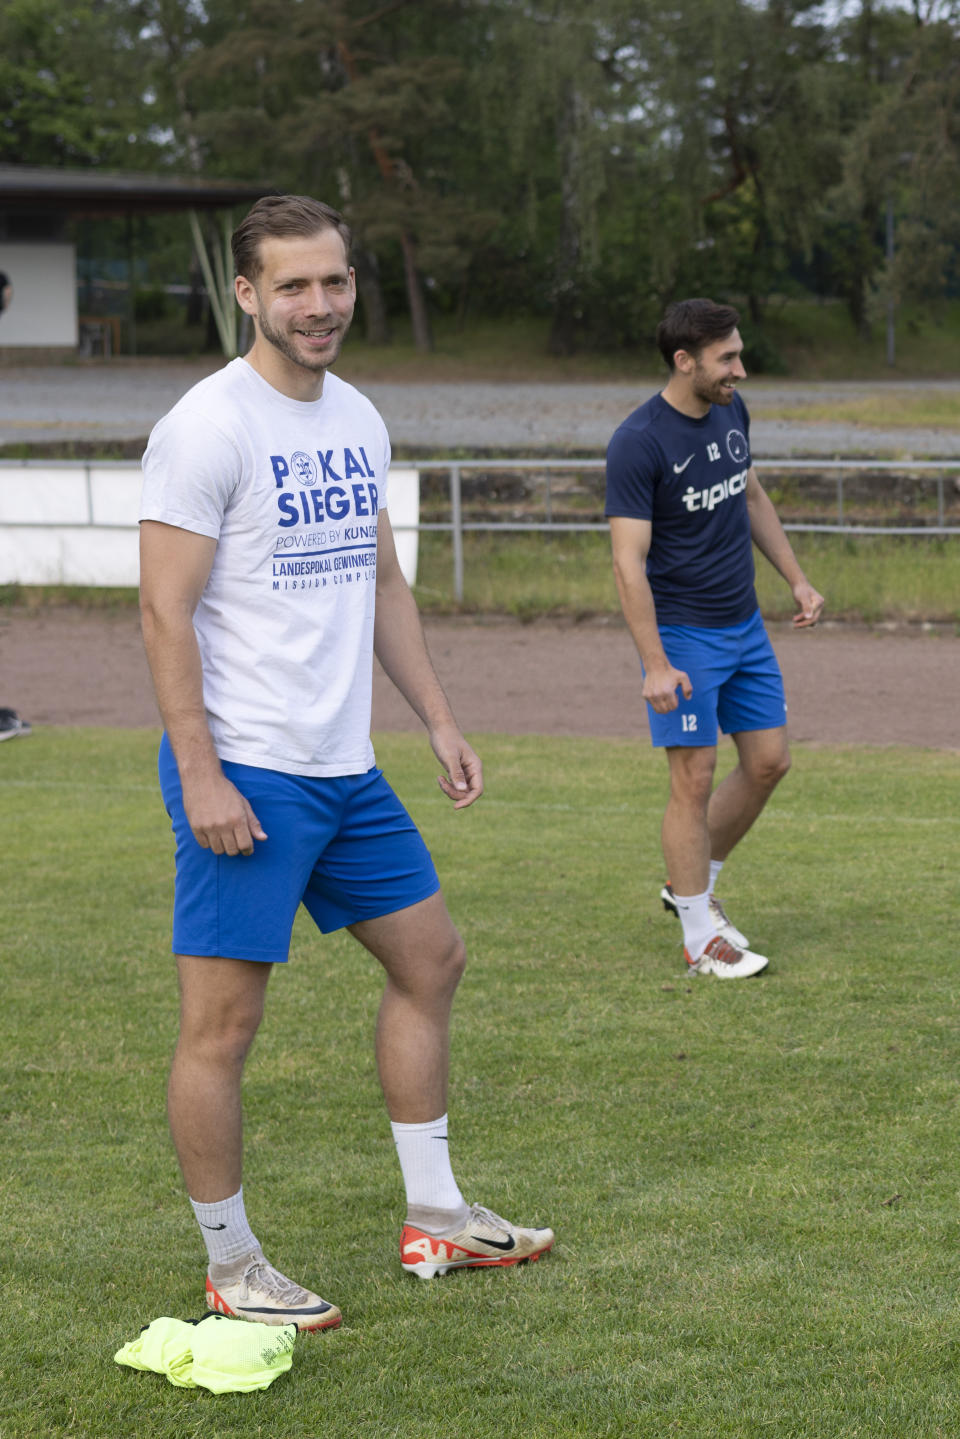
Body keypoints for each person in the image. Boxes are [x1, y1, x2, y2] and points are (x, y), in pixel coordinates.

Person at [139, 194, 553, 1331]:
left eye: (336, 282)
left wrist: (438, 717)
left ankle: (437, 1212)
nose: (320, 306)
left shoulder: (358, 418)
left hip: (345, 767)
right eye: (294, 286)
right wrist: (206, 773)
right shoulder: (207, 426)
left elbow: (378, 582)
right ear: (246, 295)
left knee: (433, 958)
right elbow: (165, 616)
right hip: (249, 770)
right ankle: (231, 1266)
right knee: (221, 1027)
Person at [605, 298, 824, 979]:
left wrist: (797, 578)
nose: (742, 369)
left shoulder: (731, 411)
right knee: (693, 778)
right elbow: (626, 562)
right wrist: (654, 663)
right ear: (684, 360)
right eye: (727, 357)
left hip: (745, 625)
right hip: (683, 636)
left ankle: (690, 884)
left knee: (768, 762)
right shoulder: (638, 442)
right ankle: (701, 936)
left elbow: (750, 496)